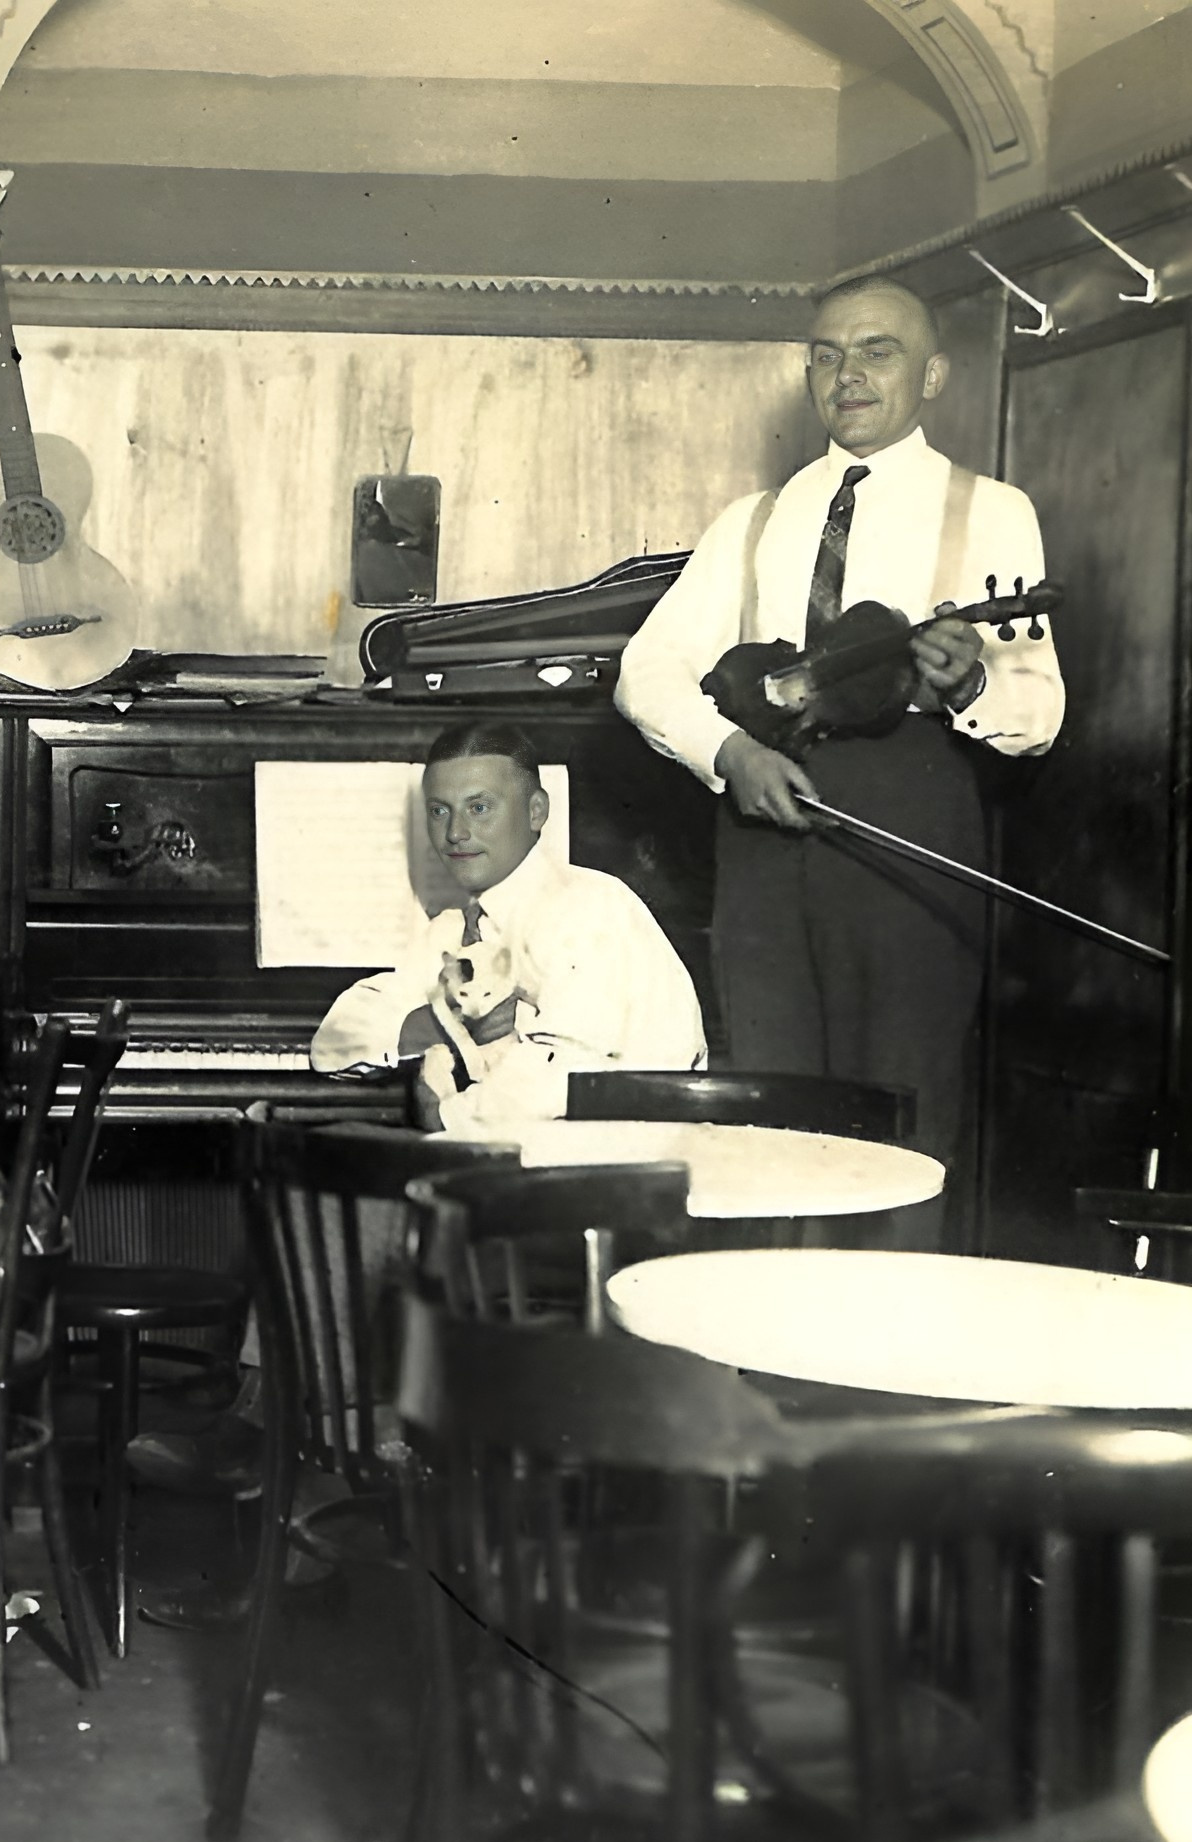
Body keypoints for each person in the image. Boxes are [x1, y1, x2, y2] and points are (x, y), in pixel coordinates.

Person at [615, 276, 1063, 1226]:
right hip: (763, 825)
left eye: (877, 351)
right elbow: (645, 669)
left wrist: (970, 683)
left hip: (909, 823)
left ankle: (880, 1366)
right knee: (769, 1117)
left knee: (901, 1117)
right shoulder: (753, 519)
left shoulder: (993, 510)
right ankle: (768, 1362)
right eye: (826, 354)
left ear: (933, 373)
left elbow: (1039, 712)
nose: (846, 374)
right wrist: (725, 751)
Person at [310, 721, 707, 1135]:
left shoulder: (588, 906)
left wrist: (441, 1115)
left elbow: (563, 1079)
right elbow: (332, 1044)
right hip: (516, 1159)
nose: (455, 833)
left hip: (612, 1172)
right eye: (439, 810)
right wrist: (448, 1024)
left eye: (479, 808)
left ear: (536, 811)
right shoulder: (451, 929)